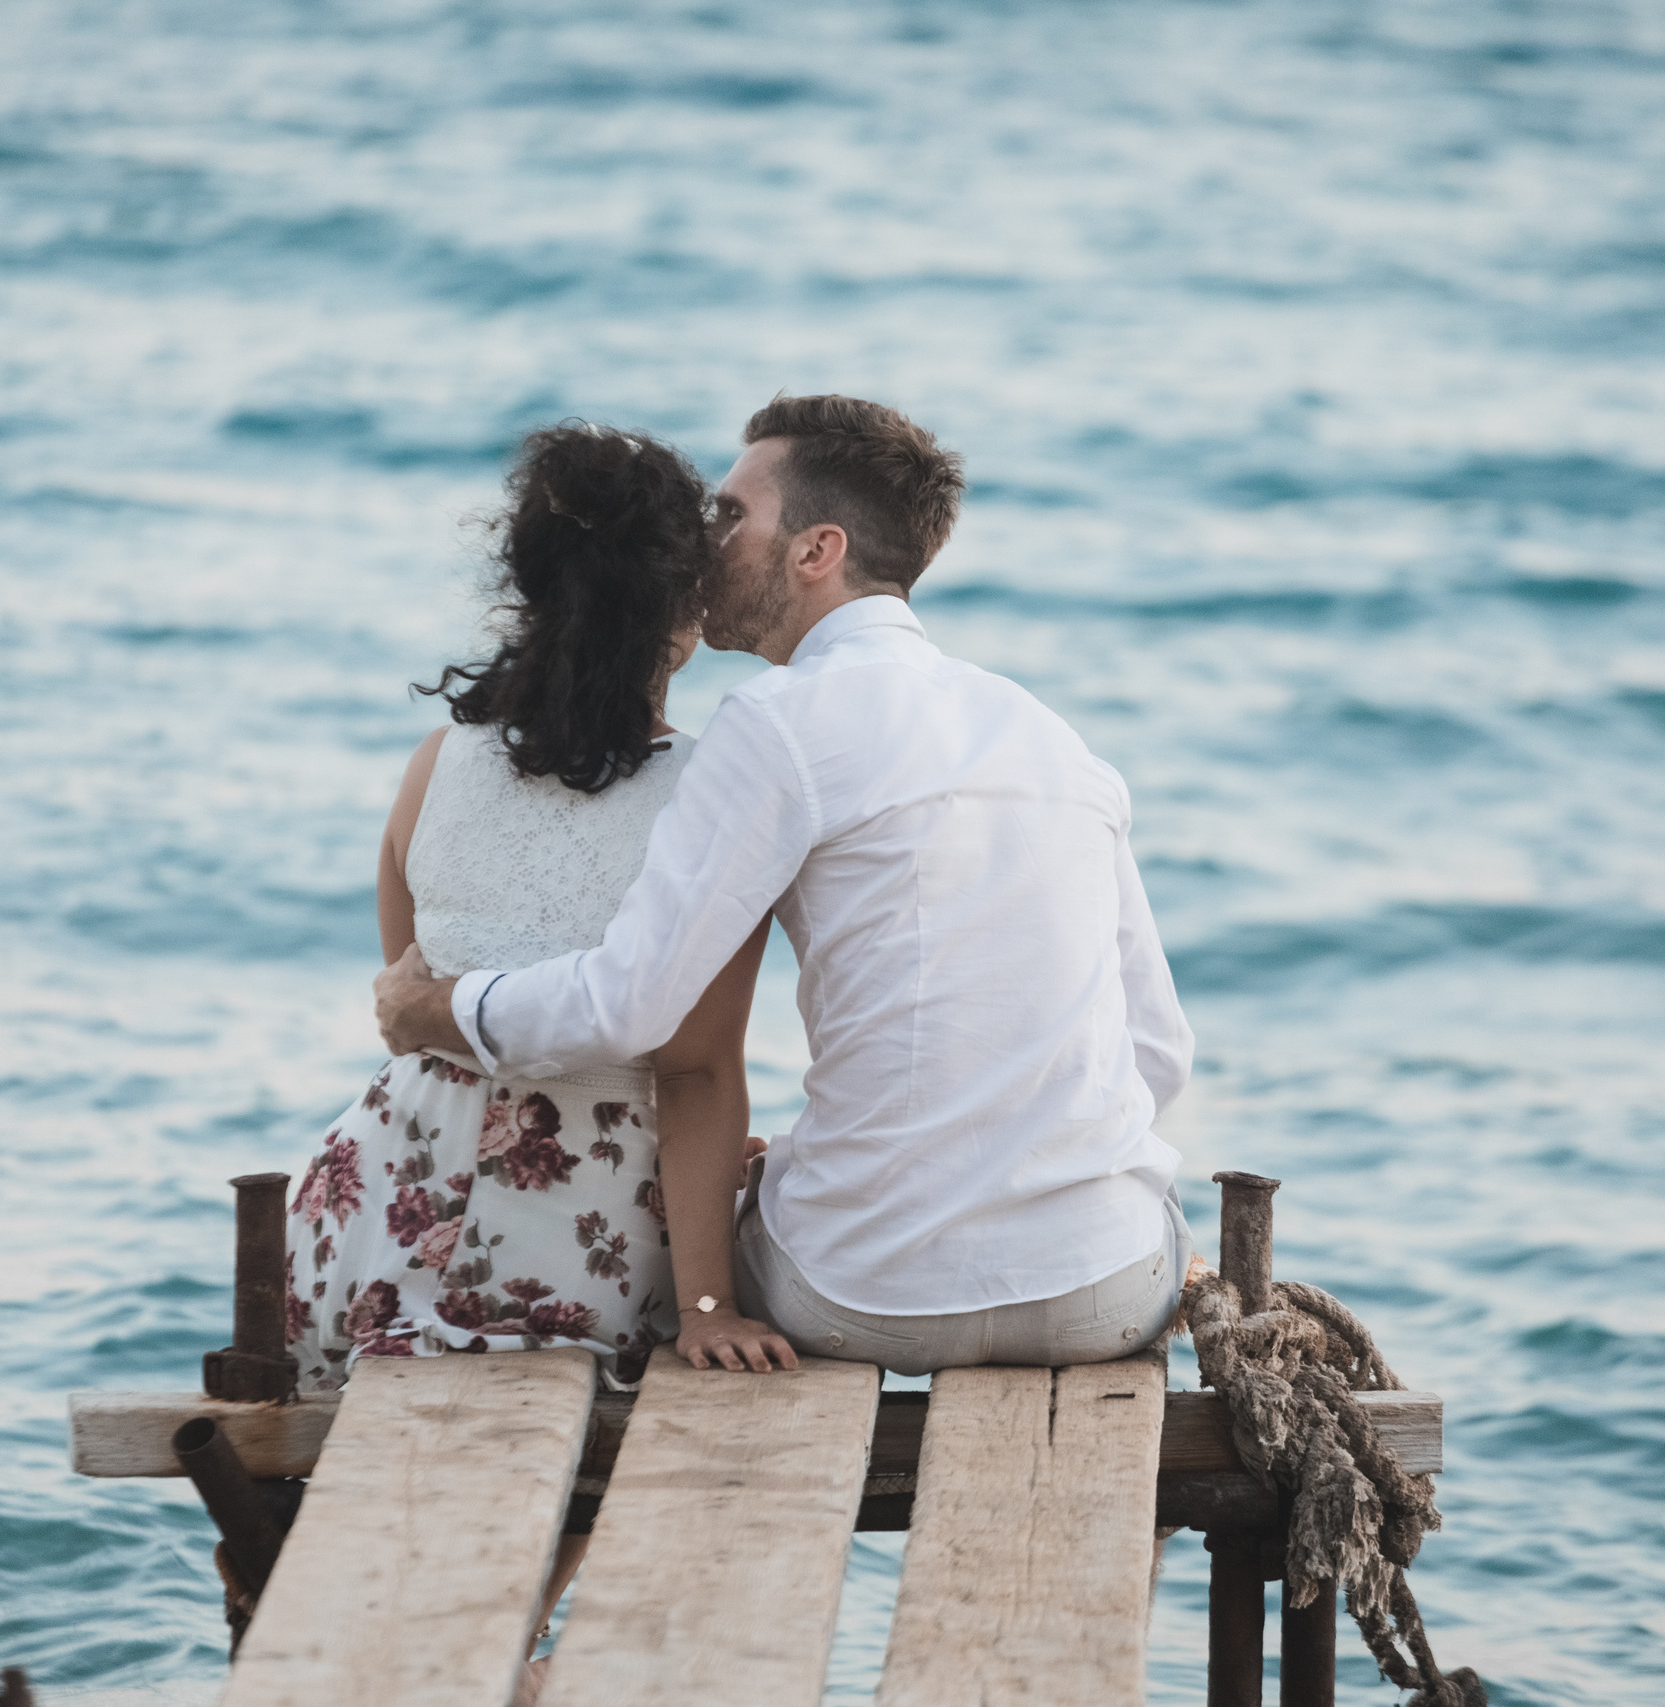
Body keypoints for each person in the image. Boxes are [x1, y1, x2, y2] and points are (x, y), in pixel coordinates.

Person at [376, 394, 1197, 1378]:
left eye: (731, 514)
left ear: (815, 552)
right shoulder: (1048, 734)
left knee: (705, 1232)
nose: (705, 540)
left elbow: (629, 1008)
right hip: (1099, 1294)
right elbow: (1158, 1053)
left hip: (862, 1299)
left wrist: (435, 1007)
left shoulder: (775, 722)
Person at [283, 422, 773, 1396]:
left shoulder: (438, 760)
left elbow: (416, 1013)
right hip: (572, 1250)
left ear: (528, 591)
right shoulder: (713, 791)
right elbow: (695, 1074)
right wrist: (710, 1307)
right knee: (562, 1504)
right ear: (683, 610)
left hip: (369, 1212)